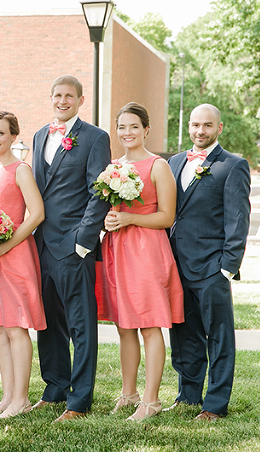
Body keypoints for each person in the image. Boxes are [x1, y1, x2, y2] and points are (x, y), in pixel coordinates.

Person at [30, 75, 110, 422]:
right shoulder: (38, 136)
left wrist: (83, 241)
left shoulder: (95, 138)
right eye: (57, 95)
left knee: (80, 325)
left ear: (80, 99)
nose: (62, 100)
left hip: (73, 246)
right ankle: (55, 387)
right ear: (50, 98)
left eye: (69, 96)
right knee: (47, 323)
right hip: (41, 245)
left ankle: (79, 400)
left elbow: (99, 191)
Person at [99, 103, 184, 421]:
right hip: (117, 249)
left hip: (147, 249)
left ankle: (151, 400)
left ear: (146, 129)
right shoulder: (111, 168)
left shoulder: (158, 166)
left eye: (134, 126)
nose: (127, 133)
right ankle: (129, 392)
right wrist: (109, 220)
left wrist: (130, 218)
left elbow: (167, 216)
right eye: (122, 127)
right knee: (124, 326)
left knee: (149, 325)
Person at [167, 103, 251, 422]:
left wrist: (227, 267)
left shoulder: (233, 165)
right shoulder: (174, 162)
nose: (200, 131)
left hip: (212, 267)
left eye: (207, 125)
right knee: (183, 335)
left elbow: (238, 218)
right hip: (177, 266)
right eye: (195, 125)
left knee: (219, 337)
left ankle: (215, 404)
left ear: (219, 128)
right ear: (188, 127)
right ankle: (188, 395)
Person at [0, 112, 46, 419]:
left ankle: (21, 398)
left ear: (13, 136)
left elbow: (36, 214)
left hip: (16, 253)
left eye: (1, 134)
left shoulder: (21, 170)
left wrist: (4, 246)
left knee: (16, 327)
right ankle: (7, 396)